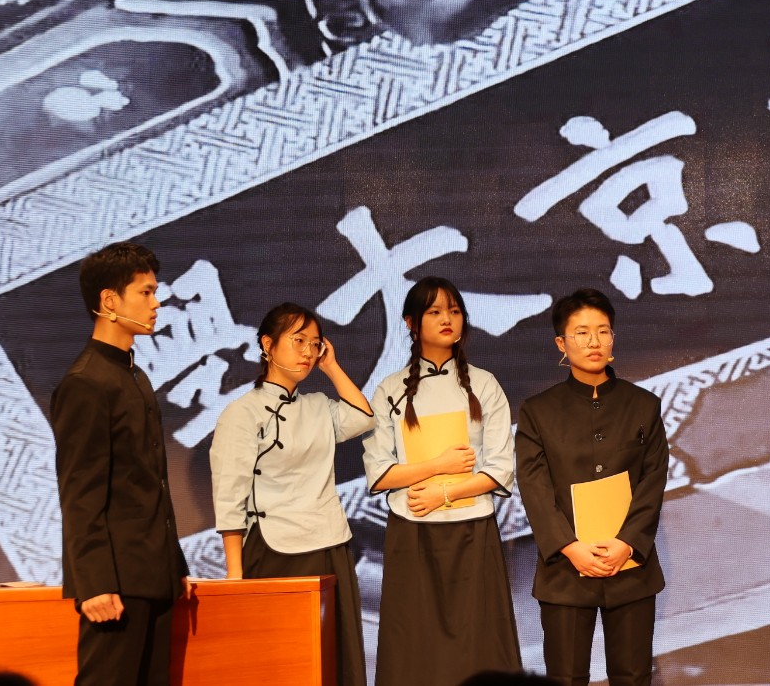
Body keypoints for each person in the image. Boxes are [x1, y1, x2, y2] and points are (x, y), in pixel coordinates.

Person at [362, 276, 523, 686]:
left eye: (453, 311)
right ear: (411, 323)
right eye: (434, 312)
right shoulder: (389, 390)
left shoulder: (484, 385)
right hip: (412, 532)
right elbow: (380, 473)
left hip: (472, 531)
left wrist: (445, 492)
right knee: (414, 646)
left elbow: (500, 468)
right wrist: (438, 465)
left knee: (480, 643)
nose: (447, 319)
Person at [209, 303, 374, 686]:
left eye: (315, 344)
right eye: (298, 341)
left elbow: (363, 418)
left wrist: (331, 367)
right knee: (283, 664)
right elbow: (229, 494)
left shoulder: (317, 406)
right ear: (267, 345)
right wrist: (235, 573)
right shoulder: (242, 412)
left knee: (335, 659)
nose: (308, 352)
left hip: (328, 543)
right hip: (275, 549)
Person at [50, 241, 190, 686]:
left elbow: (150, 484)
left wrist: (175, 566)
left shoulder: (133, 374)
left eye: (155, 292)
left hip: (153, 575)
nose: (156, 303)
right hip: (114, 582)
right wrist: (93, 583)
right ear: (109, 301)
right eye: (145, 293)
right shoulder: (86, 382)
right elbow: (80, 492)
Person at [515, 289, 668, 686]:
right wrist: (570, 548)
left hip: (630, 567)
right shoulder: (538, 412)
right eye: (581, 332)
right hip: (566, 569)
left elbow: (652, 482)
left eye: (603, 331)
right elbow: (534, 487)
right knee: (565, 677)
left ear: (613, 338)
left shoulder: (643, 405)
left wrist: (626, 543)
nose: (594, 341)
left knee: (633, 676)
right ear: (561, 343)